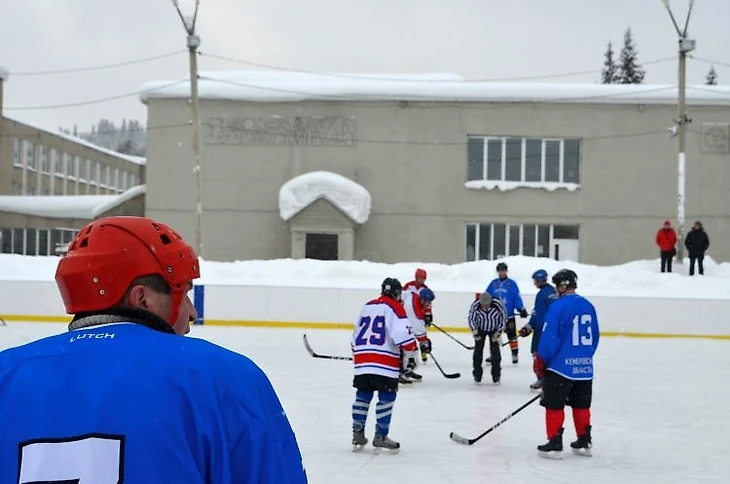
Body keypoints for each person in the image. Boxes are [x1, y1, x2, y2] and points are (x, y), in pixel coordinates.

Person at [0, 216, 308, 482]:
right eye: (184, 293)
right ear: (142, 299)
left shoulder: (7, 373)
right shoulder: (224, 378)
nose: (191, 312)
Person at [535, 269, 600, 459]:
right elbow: (595, 336)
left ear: (562, 286)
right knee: (581, 404)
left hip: (560, 367)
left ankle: (554, 443)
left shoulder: (558, 307)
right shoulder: (588, 305)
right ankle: (584, 440)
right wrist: (584, 357)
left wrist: (542, 359)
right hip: (585, 368)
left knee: (554, 404)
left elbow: (550, 338)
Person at [351, 277, 419, 453]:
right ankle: (380, 436)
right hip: (385, 364)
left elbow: (355, 337)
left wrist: (359, 355)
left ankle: (357, 433)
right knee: (386, 398)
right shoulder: (396, 307)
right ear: (396, 293)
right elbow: (402, 336)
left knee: (363, 396)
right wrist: (412, 349)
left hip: (363, 361)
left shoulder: (367, 306)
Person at [518, 269, 556, 390]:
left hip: (541, 331)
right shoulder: (553, 291)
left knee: (537, 354)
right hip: (552, 330)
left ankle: (543, 379)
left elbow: (539, 315)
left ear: (540, 280)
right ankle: (549, 379)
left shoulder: (542, 294)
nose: (534, 283)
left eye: (535, 280)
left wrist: (530, 326)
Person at [486, 262, 529, 364]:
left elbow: (516, 297)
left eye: (503, 271)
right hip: (495, 316)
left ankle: (514, 354)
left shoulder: (512, 284)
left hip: (508, 315)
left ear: (506, 271)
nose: (502, 273)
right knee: (494, 336)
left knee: (512, 335)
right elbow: (487, 295)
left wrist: (520, 308)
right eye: (500, 271)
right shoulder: (493, 284)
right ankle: (493, 354)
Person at [468, 291, 507, 384]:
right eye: (483, 304)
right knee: (478, 352)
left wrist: (499, 331)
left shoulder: (497, 304)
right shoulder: (475, 305)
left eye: (487, 304)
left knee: (495, 353)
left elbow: (504, 317)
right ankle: (477, 375)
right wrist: (474, 330)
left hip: (494, 329)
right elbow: (471, 318)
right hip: (480, 329)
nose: (484, 306)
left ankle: (496, 375)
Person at [401, 287, 436, 381]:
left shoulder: (412, 294)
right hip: (400, 330)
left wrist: (426, 315)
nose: (429, 304)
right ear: (422, 300)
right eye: (428, 302)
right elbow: (421, 336)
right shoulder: (416, 315)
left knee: (411, 349)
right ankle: (400, 372)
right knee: (410, 352)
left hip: (400, 326)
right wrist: (426, 345)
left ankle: (405, 371)